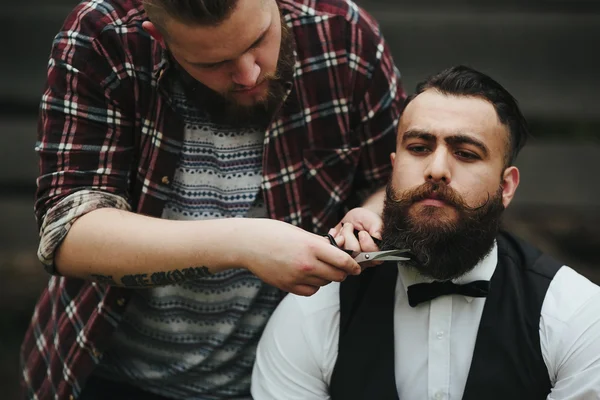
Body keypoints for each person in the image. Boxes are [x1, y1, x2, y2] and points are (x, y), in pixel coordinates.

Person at [20, 0, 405, 398]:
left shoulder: (344, 35)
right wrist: (246, 244)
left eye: (259, 39)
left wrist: (369, 214)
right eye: (212, 63)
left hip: (280, 375)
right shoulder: (105, 36)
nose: (248, 74)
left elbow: (394, 178)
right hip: (108, 372)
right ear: (158, 35)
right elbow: (69, 236)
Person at [251, 65, 600, 400]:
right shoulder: (317, 310)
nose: (436, 169)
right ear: (393, 168)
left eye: (465, 153)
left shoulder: (574, 315)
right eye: (418, 148)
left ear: (506, 187)